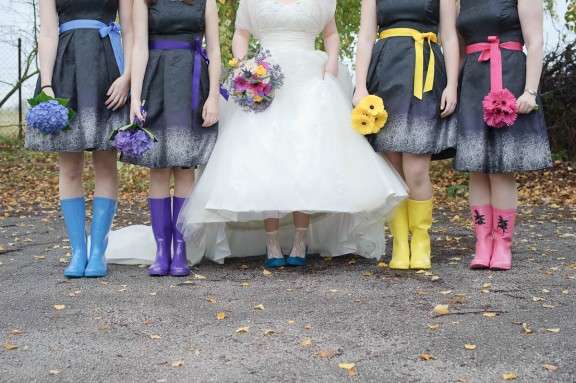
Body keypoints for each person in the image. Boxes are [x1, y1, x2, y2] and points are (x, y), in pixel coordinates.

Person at [174, 0, 408, 268]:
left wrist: (332, 61)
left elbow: (331, 34)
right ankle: (271, 241)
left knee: (305, 156)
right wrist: (242, 63)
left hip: (310, 81)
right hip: (265, 80)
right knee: (267, 158)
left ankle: (300, 240)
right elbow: (241, 33)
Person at [27, 0, 133, 278]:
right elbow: (48, 33)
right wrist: (47, 84)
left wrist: (128, 77)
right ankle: (77, 251)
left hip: (108, 69)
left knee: (106, 163)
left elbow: (130, 31)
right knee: (70, 167)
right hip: (65, 72)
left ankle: (98, 249)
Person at [354, 0, 459, 270]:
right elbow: (366, 37)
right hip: (385, 72)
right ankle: (400, 242)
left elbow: (449, 35)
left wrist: (452, 85)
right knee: (393, 167)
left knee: (416, 169)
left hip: (424, 71)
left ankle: (421, 240)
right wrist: (361, 86)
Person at [125, 0, 221, 277]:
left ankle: (181, 250)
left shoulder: (206, 2)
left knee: (184, 168)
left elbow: (213, 50)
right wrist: (134, 97)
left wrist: (213, 96)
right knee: (158, 168)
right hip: (156, 82)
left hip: (192, 81)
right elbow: (139, 47)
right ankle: (160, 251)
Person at [456, 0, 552, 270]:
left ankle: (502, 244)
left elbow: (535, 42)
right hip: (473, 81)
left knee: (500, 169)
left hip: (509, 78)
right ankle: (482, 244)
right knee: (476, 168)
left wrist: (530, 91)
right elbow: (459, 46)